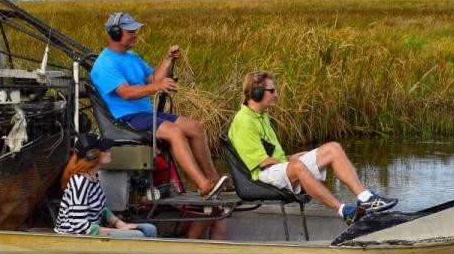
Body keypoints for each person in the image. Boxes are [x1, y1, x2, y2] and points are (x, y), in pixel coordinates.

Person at [228, 71, 398, 224]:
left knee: (333, 148)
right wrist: (291, 163)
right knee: (297, 166)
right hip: (260, 178)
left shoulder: (261, 116)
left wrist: (288, 158)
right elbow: (262, 163)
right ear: (257, 93)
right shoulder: (244, 121)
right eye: (272, 91)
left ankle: (365, 197)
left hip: (275, 169)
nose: (276, 95)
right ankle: (343, 210)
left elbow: (270, 156)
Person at [89, 11, 227, 199]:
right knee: (174, 132)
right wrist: (157, 86)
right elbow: (126, 92)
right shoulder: (104, 64)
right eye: (130, 31)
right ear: (115, 33)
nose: (135, 35)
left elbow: (153, 78)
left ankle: (214, 180)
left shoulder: (132, 56)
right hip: (126, 119)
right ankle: (203, 186)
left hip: (145, 113)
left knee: (195, 127)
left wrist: (168, 59)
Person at [55, 133, 159, 238]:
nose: (109, 152)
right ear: (92, 155)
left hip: (90, 233)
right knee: (138, 235)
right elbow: (79, 226)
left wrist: (120, 224)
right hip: (74, 238)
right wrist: (118, 231)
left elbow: (101, 209)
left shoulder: (93, 176)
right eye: (105, 150)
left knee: (150, 229)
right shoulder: (80, 182)